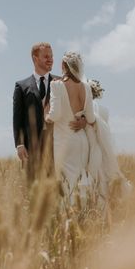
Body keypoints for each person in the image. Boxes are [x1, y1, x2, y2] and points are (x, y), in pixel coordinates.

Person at [12, 43, 86, 181]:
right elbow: (17, 118)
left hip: (58, 143)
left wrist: (83, 120)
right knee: (33, 188)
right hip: (31, 147)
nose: (50, 59)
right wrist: (19, 144)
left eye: (51, 56)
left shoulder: (62, 82)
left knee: (57, 187)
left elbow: (78, 106)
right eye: (46, 56)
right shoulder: (21, 86)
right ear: (35, 59)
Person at [45, 52, 101, 202]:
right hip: (82, 141)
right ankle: (85, 211)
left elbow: (55, 115)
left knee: (66, 183)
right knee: (81, 181)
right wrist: (81, 120)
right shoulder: (86, 87)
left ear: (63, 66)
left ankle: (70, 218)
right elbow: (90, 118)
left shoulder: (56, 85)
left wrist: (46, 116)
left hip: (64, 142)